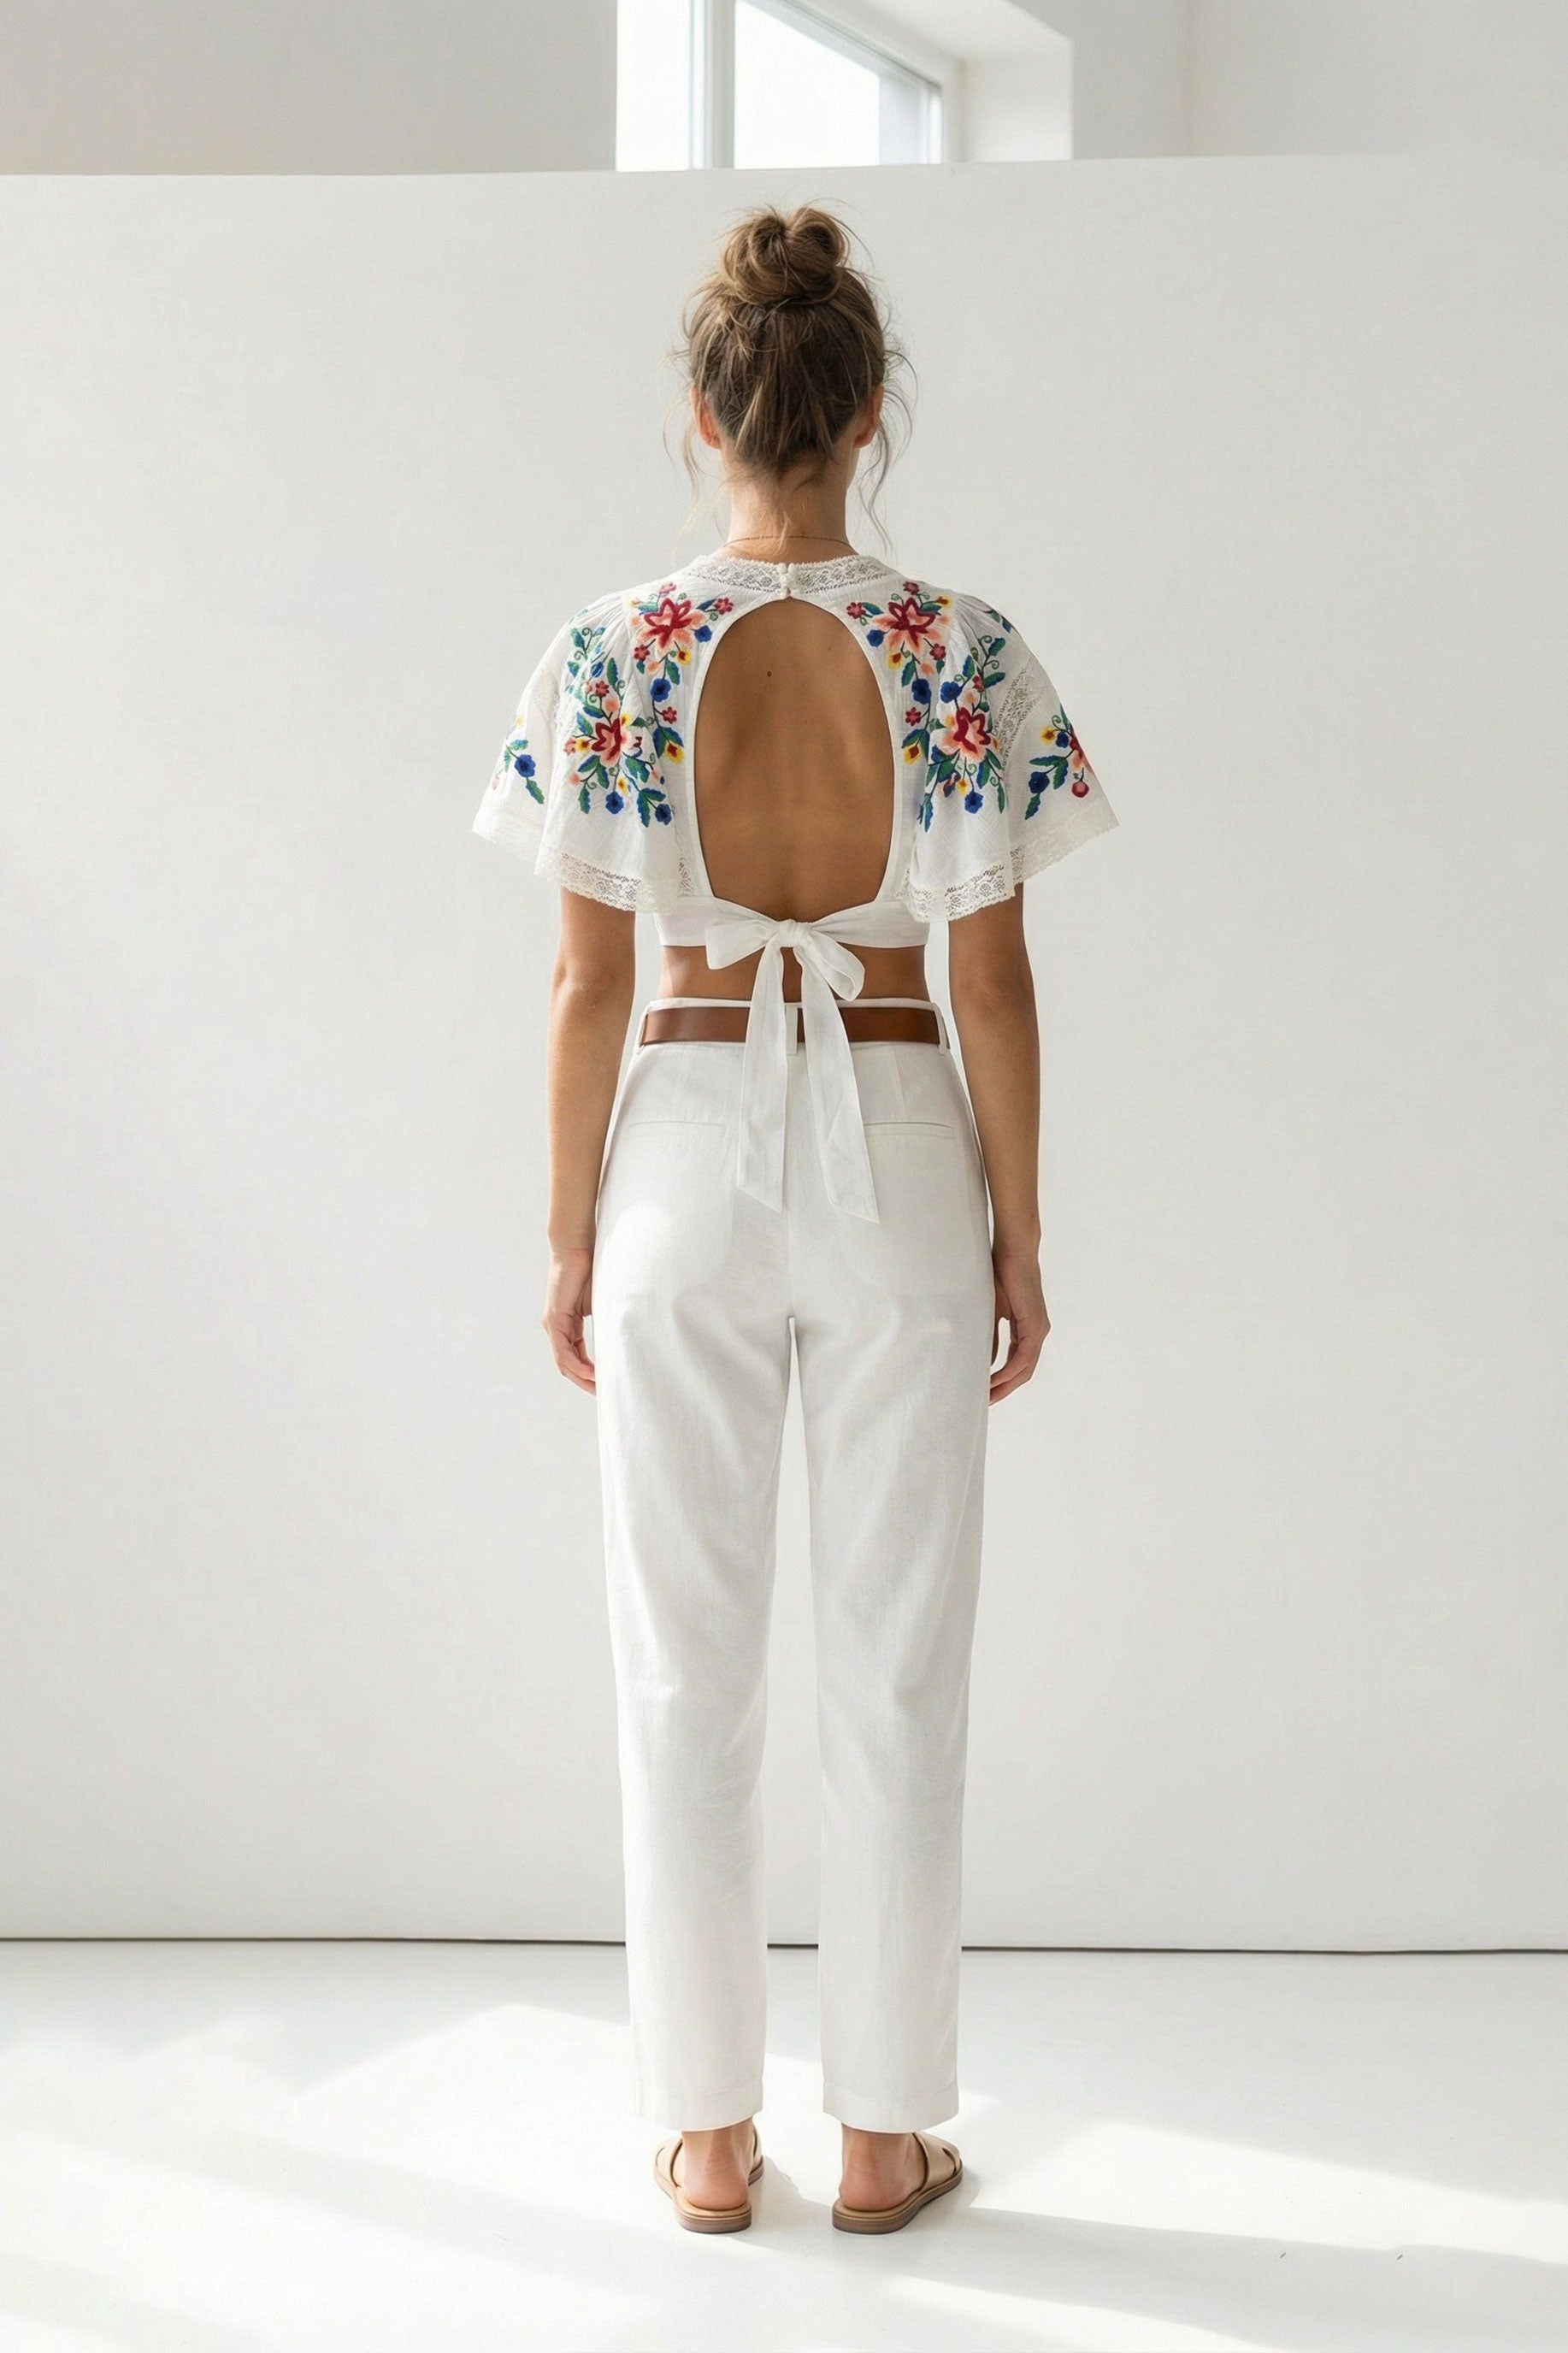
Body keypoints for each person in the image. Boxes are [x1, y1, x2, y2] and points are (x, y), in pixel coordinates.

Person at [473, 200, 1117, 2235]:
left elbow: (583, 981)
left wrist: (571, 1229)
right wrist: (1017, 1227)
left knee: (680, 1662)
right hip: (904, 1132)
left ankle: (694, 2127)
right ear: (866, 420)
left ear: (702, 418)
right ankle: (883, 2126)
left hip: (674, 1143)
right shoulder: (958, 648)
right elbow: (993, 978)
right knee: (897, 1664)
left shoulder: (606, 652)